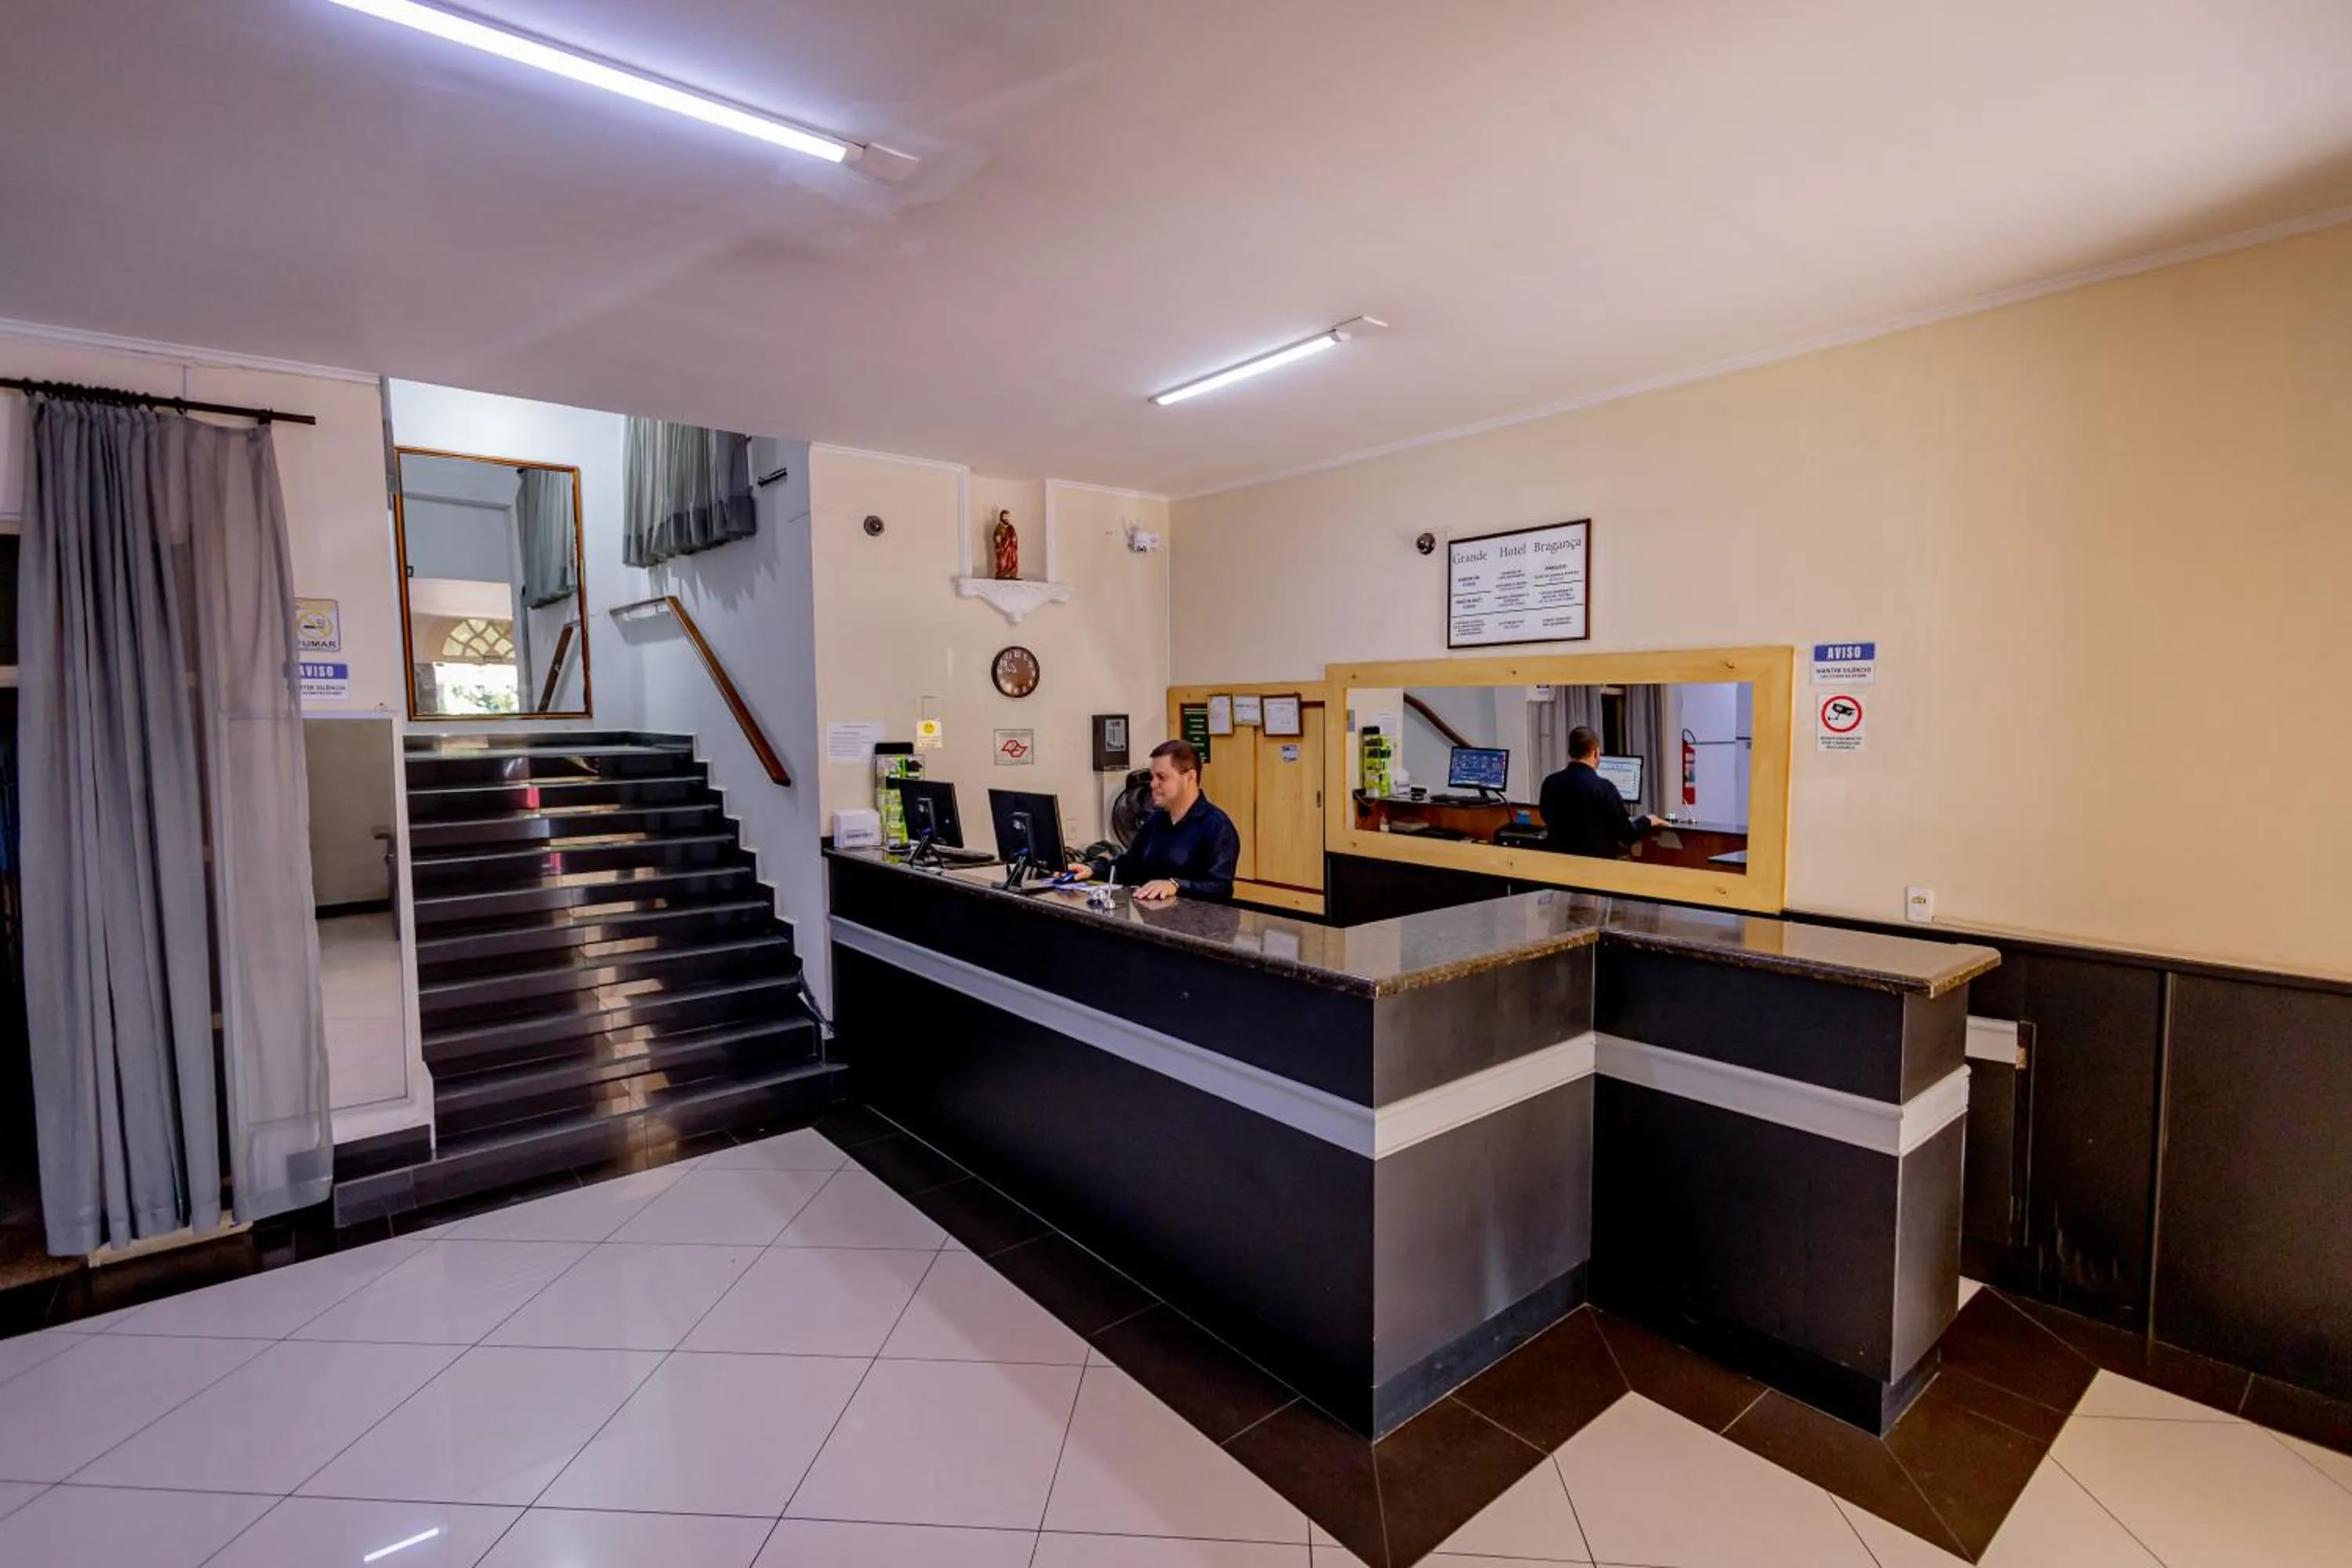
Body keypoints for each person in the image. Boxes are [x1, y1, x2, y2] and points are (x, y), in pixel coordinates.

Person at [1067, 739, 1240, 902]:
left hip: (1196, 927)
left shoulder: (1217, 826)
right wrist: (1092, 870)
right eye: (1153, 776)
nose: (1152, 784)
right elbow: (1131, 866)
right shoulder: (1155, 820)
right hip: (1153, 921)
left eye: (1162, 777)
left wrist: (1176, 885)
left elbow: (1220, 888)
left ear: (1189, 777)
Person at [1539, 725, 1668, 859]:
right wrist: (1647, 820)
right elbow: (1628, 835)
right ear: (1596, 752)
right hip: (1596, 870)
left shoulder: (1550, 783)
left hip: (1558, 867)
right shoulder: (1605, 789)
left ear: (1570, 751)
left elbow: (1545, 816)